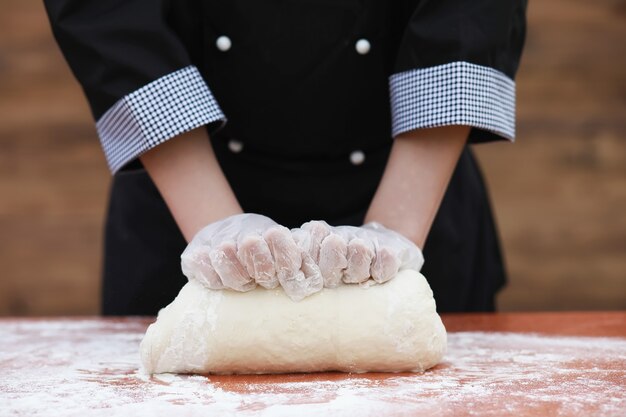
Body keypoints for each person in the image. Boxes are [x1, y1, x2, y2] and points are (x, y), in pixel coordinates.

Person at [44, 0, 527, 315]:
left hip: (415, 188)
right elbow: (107, 14)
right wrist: (216, 233)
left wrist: (394, 233)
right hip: (180, 198)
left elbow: (470, 14)